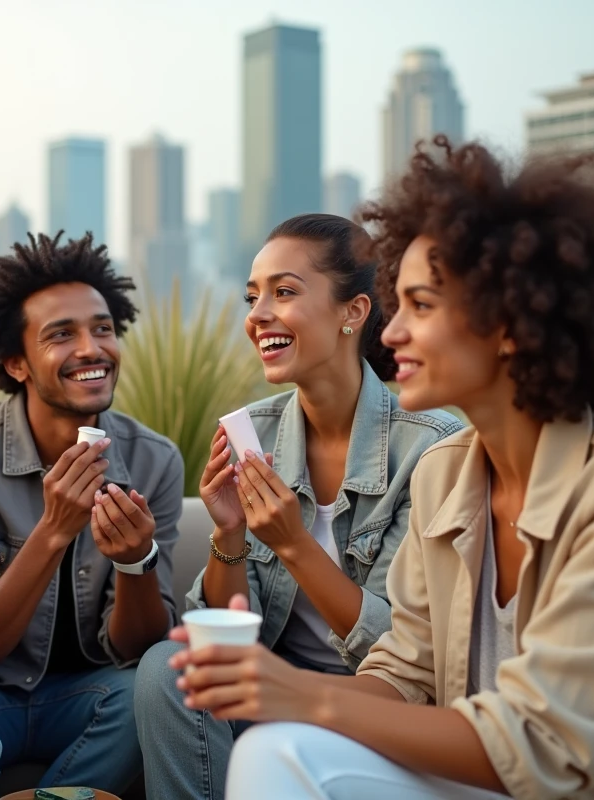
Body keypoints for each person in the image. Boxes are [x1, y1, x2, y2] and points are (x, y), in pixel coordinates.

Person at [177, 138, 594, 799]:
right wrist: (278, 698)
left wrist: (305, 695)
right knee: (276, 751)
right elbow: (404, 670)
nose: (392, 333)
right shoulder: (447, 472)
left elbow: (547, 747)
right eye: (396, 304)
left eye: (421, 307)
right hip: (478, 779)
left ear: (510, 323)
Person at [133, 213, 462, 799]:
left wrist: (293, 543)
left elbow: (403, 652)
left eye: (283, 292)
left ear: (352, 312)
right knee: (168, 668)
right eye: (252, 296)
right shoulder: (252, 434)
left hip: (378, 706)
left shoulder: (430, 447)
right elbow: (233, 635)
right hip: (272, 693)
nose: (257, 315)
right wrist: (229, 534)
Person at [0, 231, 183, 797]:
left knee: (155, 688)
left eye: (103, 329)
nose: (92, 349)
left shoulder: (154, 459)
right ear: (16, 362)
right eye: (62, 335)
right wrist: (54, 530)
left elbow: (139, 651)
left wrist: (138, 562)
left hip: (89, 698)